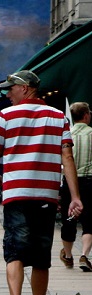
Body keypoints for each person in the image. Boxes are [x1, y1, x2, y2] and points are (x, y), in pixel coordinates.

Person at [0, 70, 83, 295]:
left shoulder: (6, 116)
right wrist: (75, 197)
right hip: (45, 196)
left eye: (11, 89)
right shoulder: (58, 117)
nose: (7, 93)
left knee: (14, 252)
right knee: (41, 259)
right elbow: (67, 157)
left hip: (16, 194)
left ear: (26, 88)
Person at [59, 102, 92, 271]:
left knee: (68, 219)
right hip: (90, 182)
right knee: (89, 220)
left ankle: (68, 255)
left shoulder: (66, 135)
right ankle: (84, 254)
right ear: (86, 115)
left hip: (69, 183)